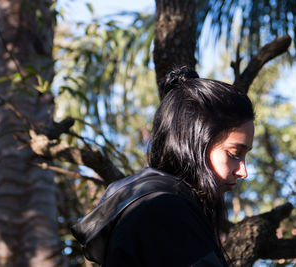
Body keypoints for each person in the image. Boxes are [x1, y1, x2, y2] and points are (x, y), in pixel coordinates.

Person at [71, 66, 255, 266]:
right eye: (234, 154)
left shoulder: (157, 204)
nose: (243, 171)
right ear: (194, 141)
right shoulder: (165, 210)